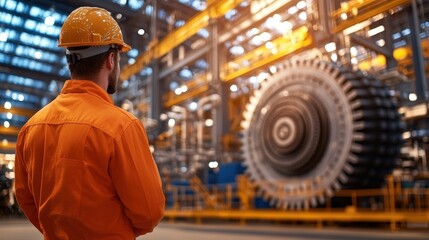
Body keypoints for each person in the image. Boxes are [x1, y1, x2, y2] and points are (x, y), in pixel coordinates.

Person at [14, 6, 165, 239]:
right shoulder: (121, 127)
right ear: (111, 59)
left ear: (70, 60)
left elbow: (25, 198)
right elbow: (149, 211)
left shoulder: (31, 128)